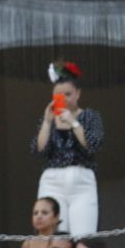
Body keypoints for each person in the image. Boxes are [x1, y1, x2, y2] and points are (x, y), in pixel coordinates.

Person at [31, 62, 102, 236]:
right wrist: (47, 122)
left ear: (78, 94)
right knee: (53, 236)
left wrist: (73, 122)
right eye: (58, 95)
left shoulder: (90, 116)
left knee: (83, 236)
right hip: (52, 181)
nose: (64, 99)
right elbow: (39, 150)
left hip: (81, 181)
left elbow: (93, 145)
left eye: (68, 94)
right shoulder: (48, 119)